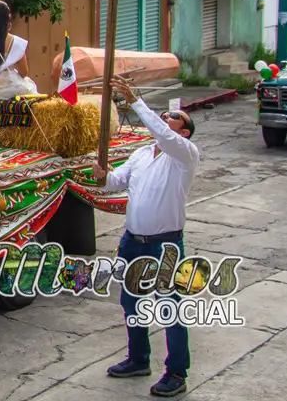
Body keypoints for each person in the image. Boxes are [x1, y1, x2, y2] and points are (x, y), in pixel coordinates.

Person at [94, 75, 199, 398]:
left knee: (169, 306)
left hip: (164, 245)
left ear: (183, 132)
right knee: (131, 302)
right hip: (133, 241)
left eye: (174, 118)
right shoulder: (142, 153)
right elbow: (118, 182)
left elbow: (163, 135)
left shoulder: (184, 154)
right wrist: (102, 176)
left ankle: (177, 372)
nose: (167, 117)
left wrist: (136, 100)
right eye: (167, 114)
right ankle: (139, 358)